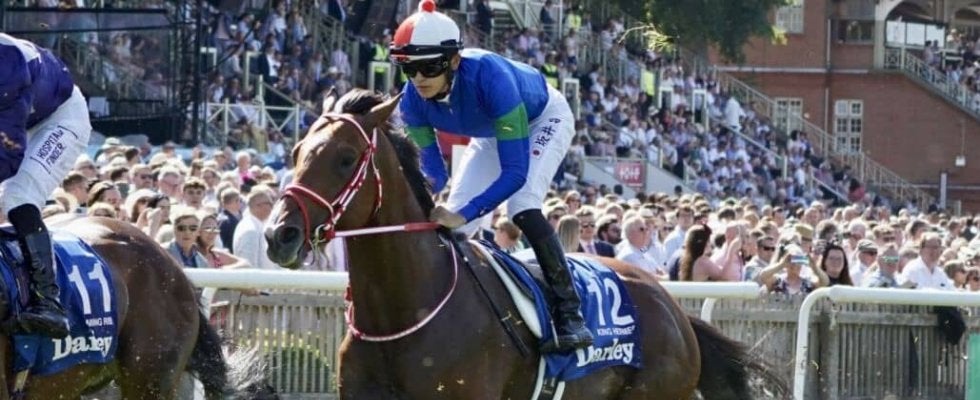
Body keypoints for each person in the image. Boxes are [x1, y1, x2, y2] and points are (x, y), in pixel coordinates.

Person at [389, 0, 591, 353]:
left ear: (454, 61)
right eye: (409, 68)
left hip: (542, 118)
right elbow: (433, 175)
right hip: (491, 133)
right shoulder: (411, 101)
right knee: (455, 225)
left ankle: (570, 314)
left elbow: (515, 173)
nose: (419, 78)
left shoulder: (490, 77)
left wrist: (466, 212)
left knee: (521, 206)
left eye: (428, 66)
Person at [0, 33, 94, 338]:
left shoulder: (6, 65)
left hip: (58, 117)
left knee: (17, 196)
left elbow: (9, 154)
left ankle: (48, 301)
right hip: (21, 112)